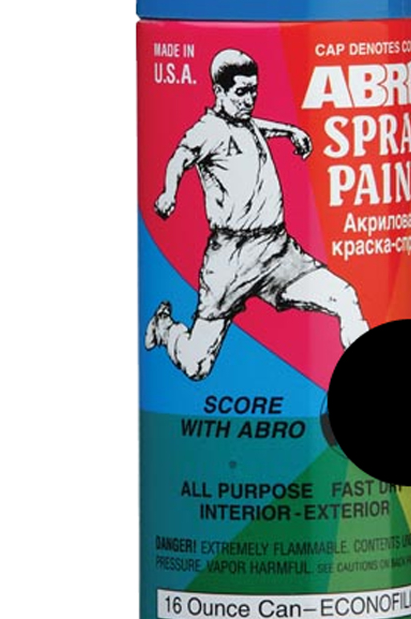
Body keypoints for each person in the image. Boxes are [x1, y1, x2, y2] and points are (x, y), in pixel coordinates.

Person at [145, 48, 368, 380]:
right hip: (231, 259)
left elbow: (258, 126)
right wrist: (168, 192)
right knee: (196, 366)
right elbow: (180, 157)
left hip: (277, 251)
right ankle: (165, 328)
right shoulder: (207, 130)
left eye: (253, 91)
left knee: (345, 298)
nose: (249, 100)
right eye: (241, 92)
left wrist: (291, 131)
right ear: (219, 91)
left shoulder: (246, 122)